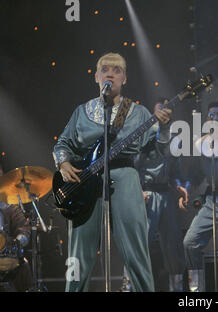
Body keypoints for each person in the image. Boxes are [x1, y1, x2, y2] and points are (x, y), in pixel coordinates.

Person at [52, 52, 172, 292]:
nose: (110, 73)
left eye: (117, 70)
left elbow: (156, 153)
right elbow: (62, 144)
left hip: (125, 177)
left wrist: (164, 130)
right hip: (84, 182)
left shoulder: (138, 112)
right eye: (105, 69)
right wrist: (63, 164)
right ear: (97, 76)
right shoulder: (82, 111)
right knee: (79, 254)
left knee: (136, 249)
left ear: (124, 78)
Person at [182, 101, 218, 292]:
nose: (215, 118)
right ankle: (196, 286)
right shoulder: (201, 144)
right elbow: (194, 175)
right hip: (212, 203)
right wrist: (186, 190)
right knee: (190, 242)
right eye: (212, 115)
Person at [134, 99, 188, 292]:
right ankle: (131, 287)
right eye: (159, 111)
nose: (164, 114)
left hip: (165, 195)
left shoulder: (175, 139)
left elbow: (176, 171)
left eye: (166, 111)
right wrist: (136, 190)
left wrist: (180, 187)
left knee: (173, 244)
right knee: (140, 244)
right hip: (146, 194)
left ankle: (178, 289)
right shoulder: (143, 137)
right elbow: (132, 168)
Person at [0, 164, 32, 292]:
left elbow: (24, 228)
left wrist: (17, 244)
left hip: (5, 255)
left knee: (23, 265)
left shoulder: (10, 205)